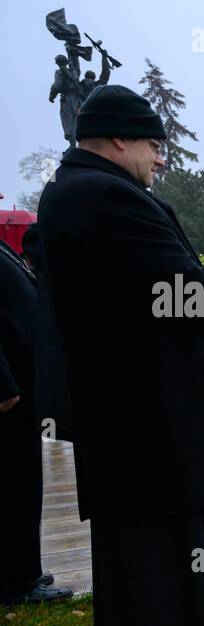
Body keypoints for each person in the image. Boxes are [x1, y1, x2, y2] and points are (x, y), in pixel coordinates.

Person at [37, 84, 204, 626]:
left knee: (152, 536)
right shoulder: (104, 196)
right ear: (119, 139)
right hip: (151, 409)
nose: (160, 158)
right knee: (171, 531)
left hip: (133, 404)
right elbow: (178, 284)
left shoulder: (80, 192)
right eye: (153, 145)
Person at [0, 238, 73, 606]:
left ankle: (22, 569)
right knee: (13, 487)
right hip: (8, 393)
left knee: (24, 485)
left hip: (23, 386)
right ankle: (14, 582)